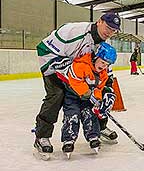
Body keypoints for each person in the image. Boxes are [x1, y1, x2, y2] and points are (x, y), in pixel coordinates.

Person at [34, 12, 121, 158]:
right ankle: (41, 136)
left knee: (98, 95)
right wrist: (74, 75)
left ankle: (100, 127)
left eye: (113, 30)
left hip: (80, 72)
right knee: (57, 95)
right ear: (99, 21)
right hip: (52, 66)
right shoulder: (73, 31)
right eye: (108, 27)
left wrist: (108, 89)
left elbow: (104, 69)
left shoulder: (104, 43)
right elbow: (43, 49)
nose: (110, 32)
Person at [56, 42, 117, 158]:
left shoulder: (103, 74)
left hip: (87, 99)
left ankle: (93, 137)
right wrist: (89, 94)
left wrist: (98, 100)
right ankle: (68, 140)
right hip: (72, 96)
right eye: (102, 62)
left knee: (90, 114)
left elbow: (99, 88)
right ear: (95, 57)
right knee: (72, 115)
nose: (104, 66)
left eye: (107, 64)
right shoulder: (81, 65)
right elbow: (75, 81)